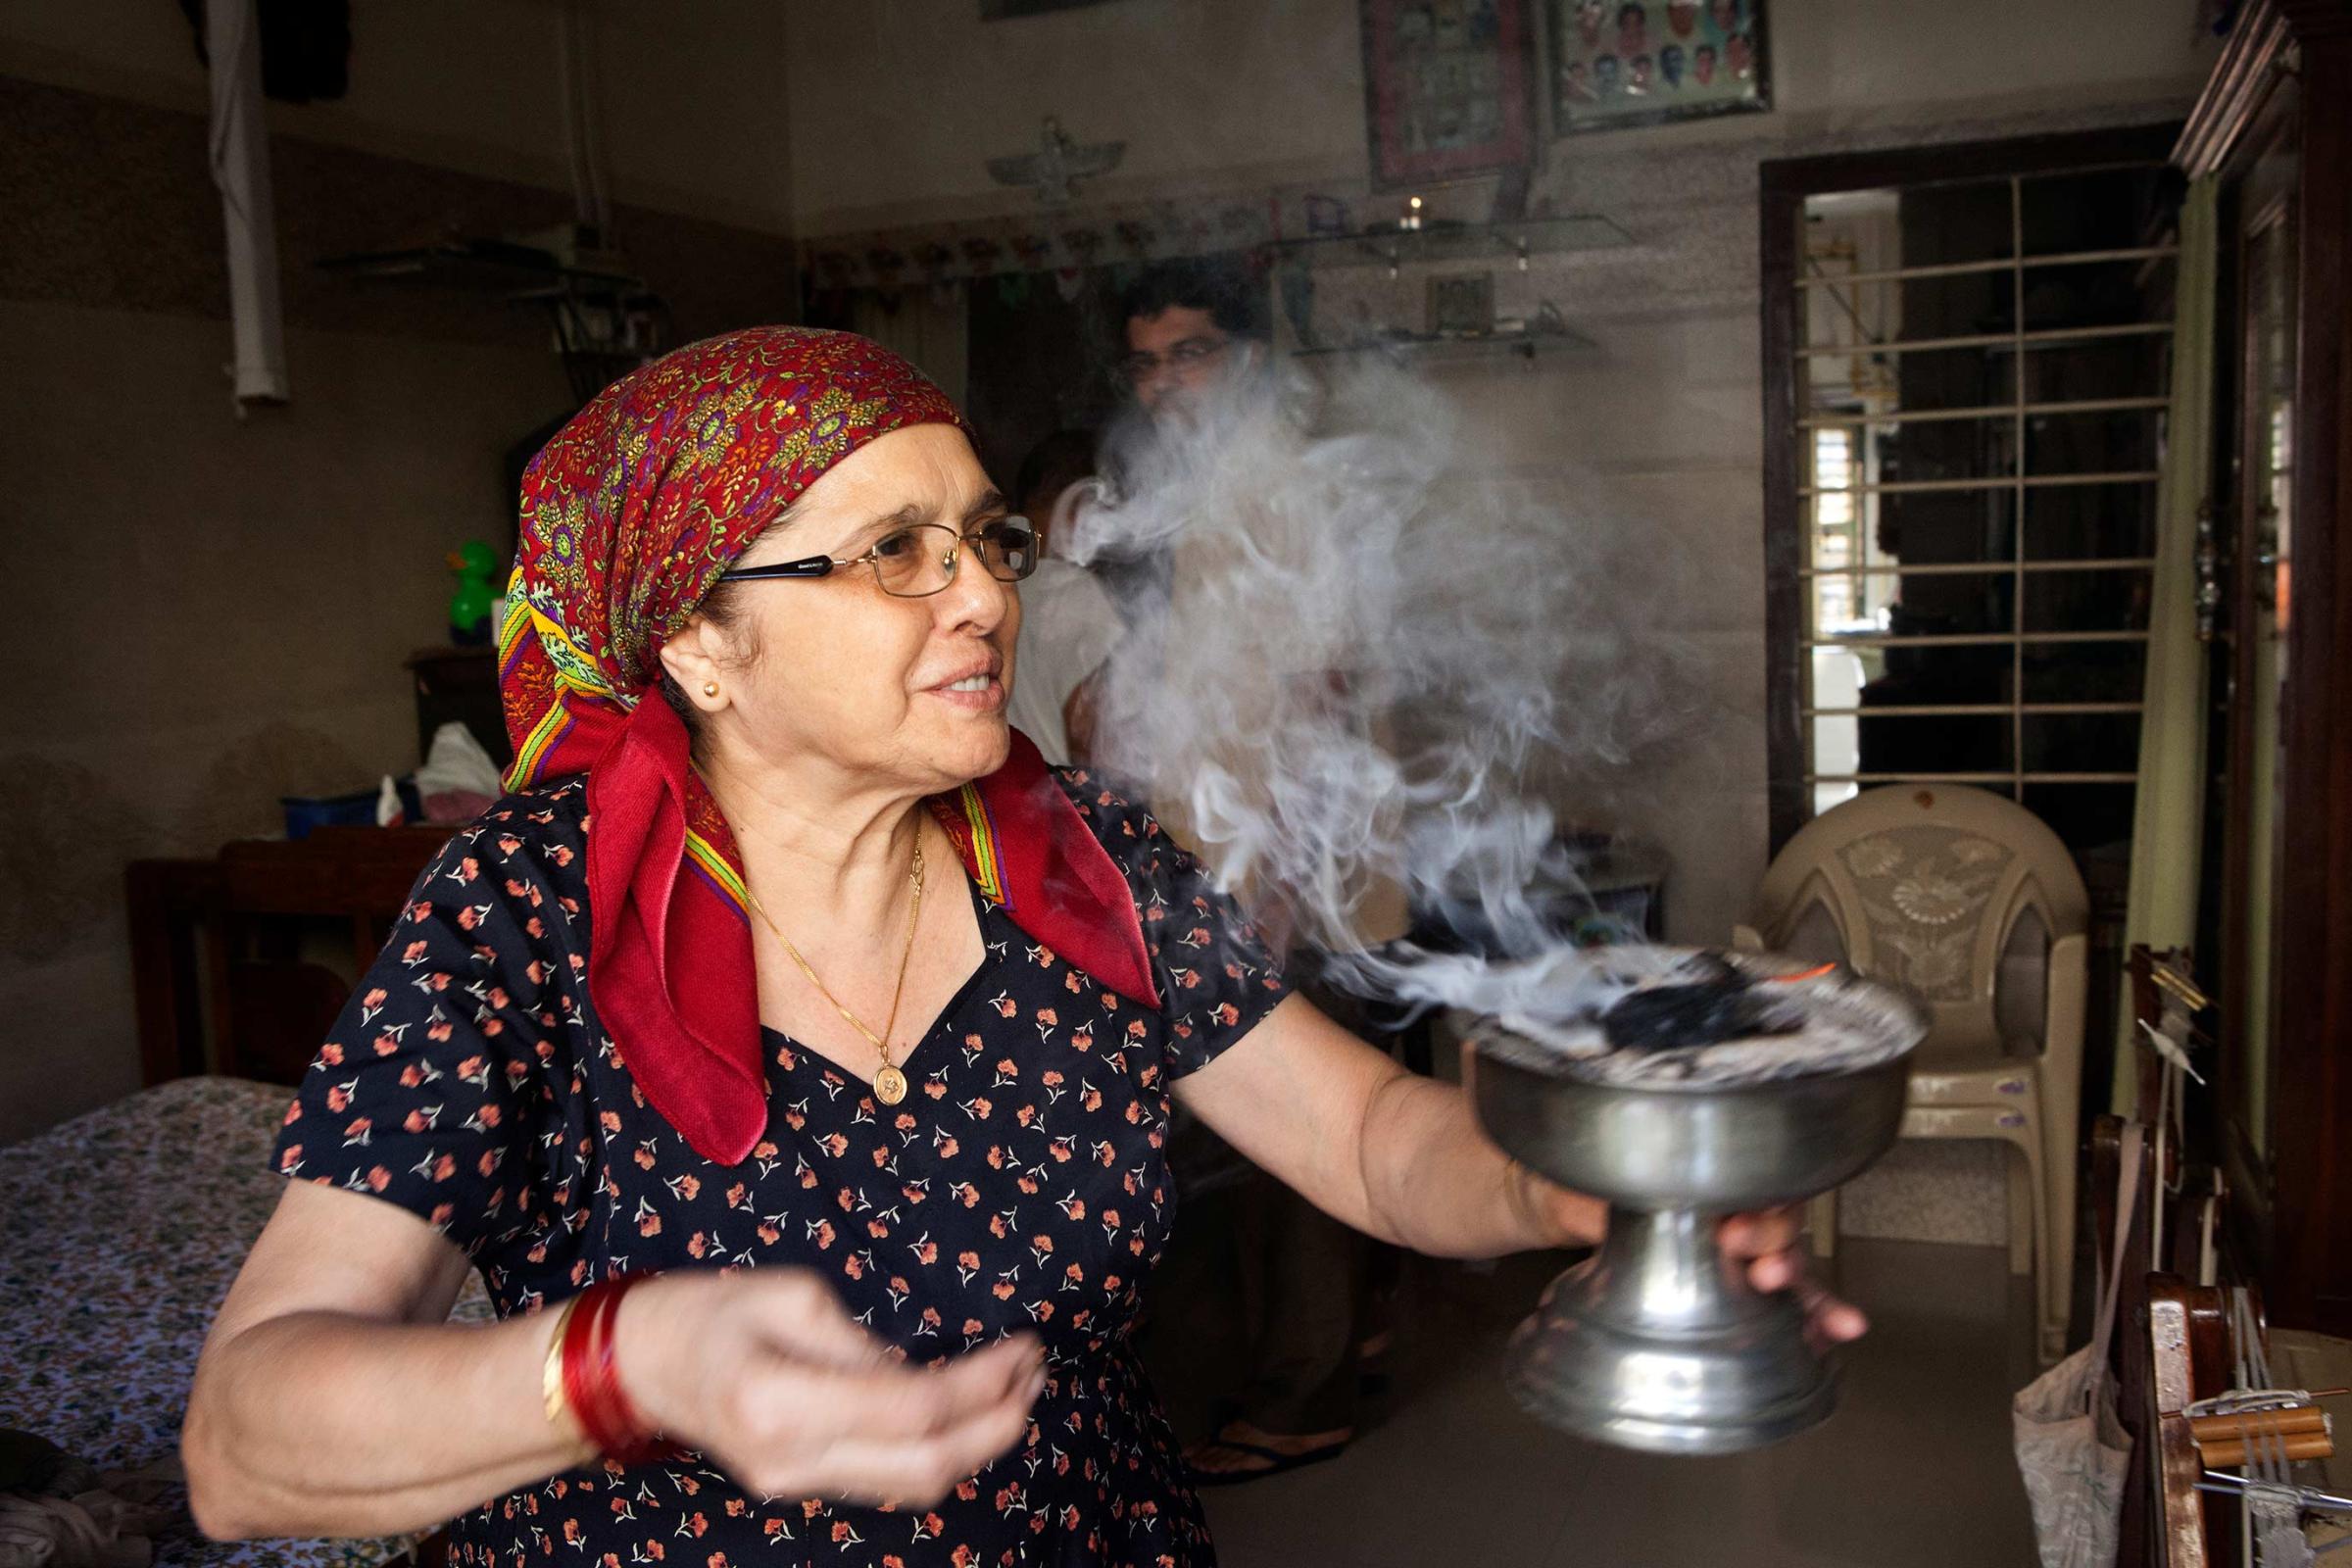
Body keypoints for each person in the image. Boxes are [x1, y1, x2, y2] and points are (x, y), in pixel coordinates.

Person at [181, 327, 1857, 1567]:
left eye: (982, 538)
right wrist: (637, 1364)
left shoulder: (1085, 866)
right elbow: (245, 1443)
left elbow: (1362, 1130)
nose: (980, 594)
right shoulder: (526, 914)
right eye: (889, 556)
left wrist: (1572, 1169)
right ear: (699, 643)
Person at [1000, 429, 1121, 763]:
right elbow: (1091, 734)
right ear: (1085, 503)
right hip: (1058, 805)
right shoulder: (1075, 593)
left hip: (998, 803)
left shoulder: (994, 585)